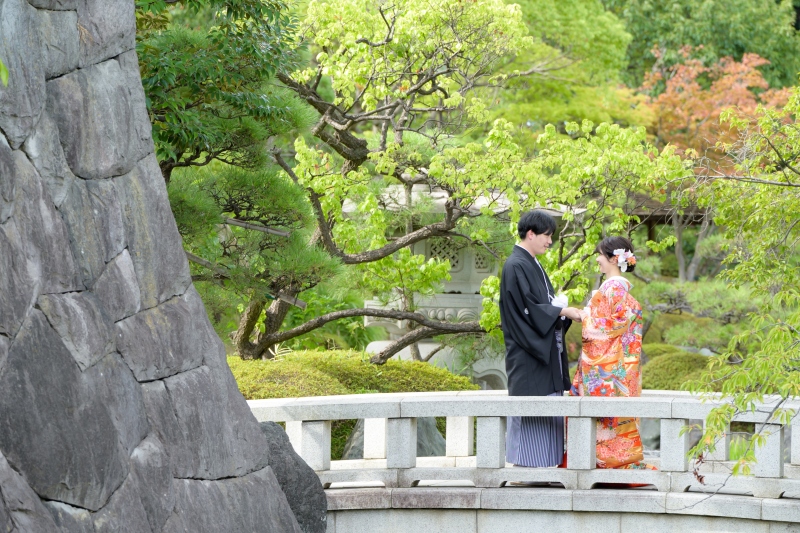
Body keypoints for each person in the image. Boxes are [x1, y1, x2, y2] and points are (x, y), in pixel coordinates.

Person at [499, 210, 583, 468]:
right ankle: (527, 469)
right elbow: (529, 309)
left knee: (547, 408)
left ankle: (545, 467)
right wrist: (560, 310)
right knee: (532, 408)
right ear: (531, 234)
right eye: (547, 236)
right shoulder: (516, 265)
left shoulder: (531, 262)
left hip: (542, 349)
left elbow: (539, 305)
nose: (550, 241)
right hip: (528, 352)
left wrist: (557, 309)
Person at [570, 236, 654, 470]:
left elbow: (616, 323)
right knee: (611, 416)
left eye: (599, 254)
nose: (597, 259)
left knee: (604, 416)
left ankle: (608, 462)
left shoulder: (615, 286)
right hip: (617, 364)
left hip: (608, 367)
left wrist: (582, 315)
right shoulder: (616, 287)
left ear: (612, 259)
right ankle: (612, 461)